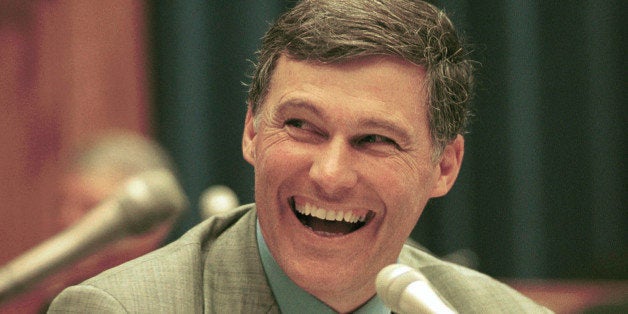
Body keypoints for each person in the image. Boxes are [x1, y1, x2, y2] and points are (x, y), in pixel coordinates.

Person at [48, 1, 551, 313]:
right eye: (301, 127)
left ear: (445, 166)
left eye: (375, 140)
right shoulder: (119, 310)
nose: (329, 175)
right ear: (251, 131)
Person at [1, 130, 177, 313]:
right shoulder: (63, 300)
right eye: (63, 205)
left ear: (154, 224)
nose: (67, 219)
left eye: (90, 208)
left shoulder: (180, 299)